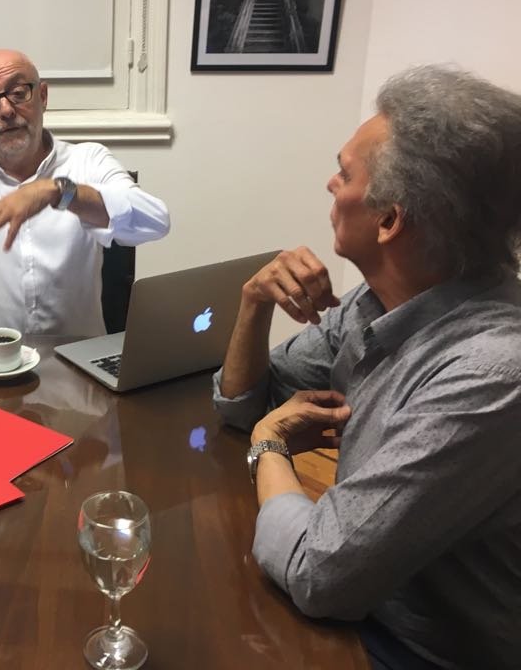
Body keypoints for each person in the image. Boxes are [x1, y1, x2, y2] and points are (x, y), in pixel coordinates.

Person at [213, 65, 521, 669]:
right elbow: (243, 404)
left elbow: (318, 571)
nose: (330, 184)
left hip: (415, 651)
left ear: (390, 220)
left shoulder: (491, 376)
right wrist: (252, 303)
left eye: (346, 173)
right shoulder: (378, 300)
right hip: (364, 610)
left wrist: (268, 447)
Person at [0, 49, 170, 357]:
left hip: (77, 362)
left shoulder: (88, 160)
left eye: (19, 93)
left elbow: (155, 221)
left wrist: (61, 192)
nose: (6, 110)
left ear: (43, 96)